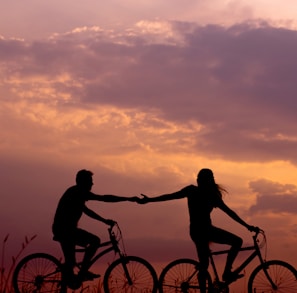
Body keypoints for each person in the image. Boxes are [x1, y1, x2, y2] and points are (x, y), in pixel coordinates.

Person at [139, 168, 257, 292]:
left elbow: (229, 212)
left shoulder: (200, 193)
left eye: (200, 179)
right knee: (234, 243)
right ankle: (226, 272)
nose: (199, 181)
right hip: (204, 231)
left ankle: (215, 280)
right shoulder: (203, 193)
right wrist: (247, 226)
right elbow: (170, 196)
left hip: (198, 231)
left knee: (205, 264)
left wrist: (149, 200)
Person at [52, 169, 139, 288]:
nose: (92, 184)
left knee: (71, 263)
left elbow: (87, 211)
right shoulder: (78, 192)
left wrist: (104, 220)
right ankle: (82, 272)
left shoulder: (76, 193)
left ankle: (71, 276)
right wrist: (128, 198)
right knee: (95, 241)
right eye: (90, 182)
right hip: (65, 231)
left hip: (66, 230)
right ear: (83, 182)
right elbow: (104, 198)